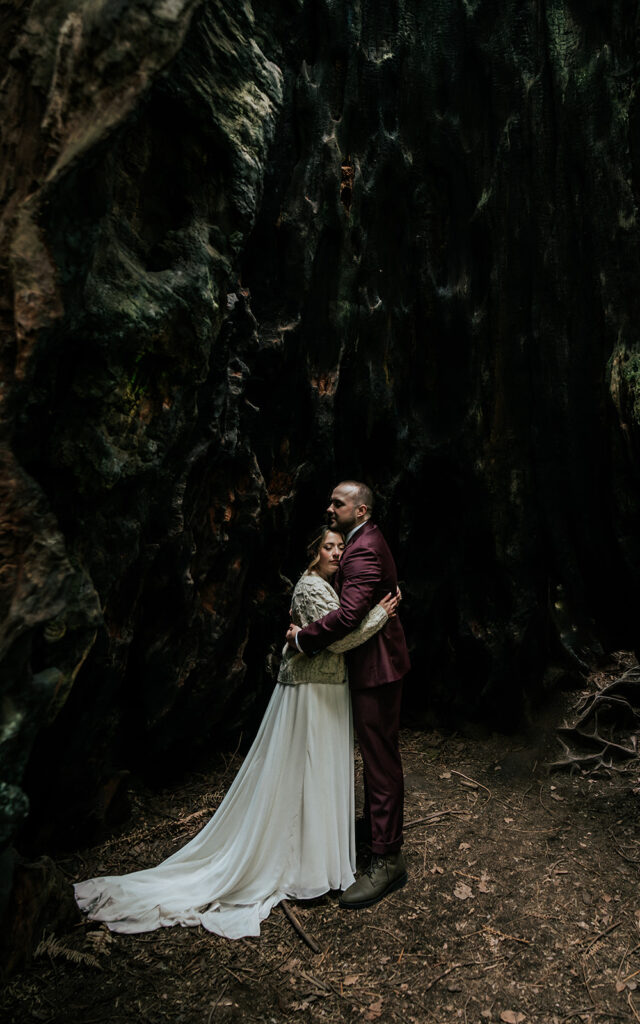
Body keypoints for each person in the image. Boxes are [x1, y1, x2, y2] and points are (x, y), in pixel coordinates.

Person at [74, 528, 397, 939]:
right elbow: (335, 642)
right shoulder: (310, 587)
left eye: (340, 547)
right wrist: (379, 616)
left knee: (316, 773)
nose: (335, 553)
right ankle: (303, 865)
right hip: (311, 691)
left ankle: (317, 860)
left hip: (327, 689)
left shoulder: (326, 585)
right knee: (305, 769)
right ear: (312, 553)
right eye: (327, 547)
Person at [286, 481, 410, 909]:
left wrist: (303, 638)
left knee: (379, 761)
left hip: (376, 670)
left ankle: (388, 858)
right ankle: (377, 835)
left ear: (360, 511)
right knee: (377, 755)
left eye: (338, 502)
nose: (330, 507)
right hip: (375, 665)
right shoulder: (365, 542)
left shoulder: (362, 549)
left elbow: (349, 615)